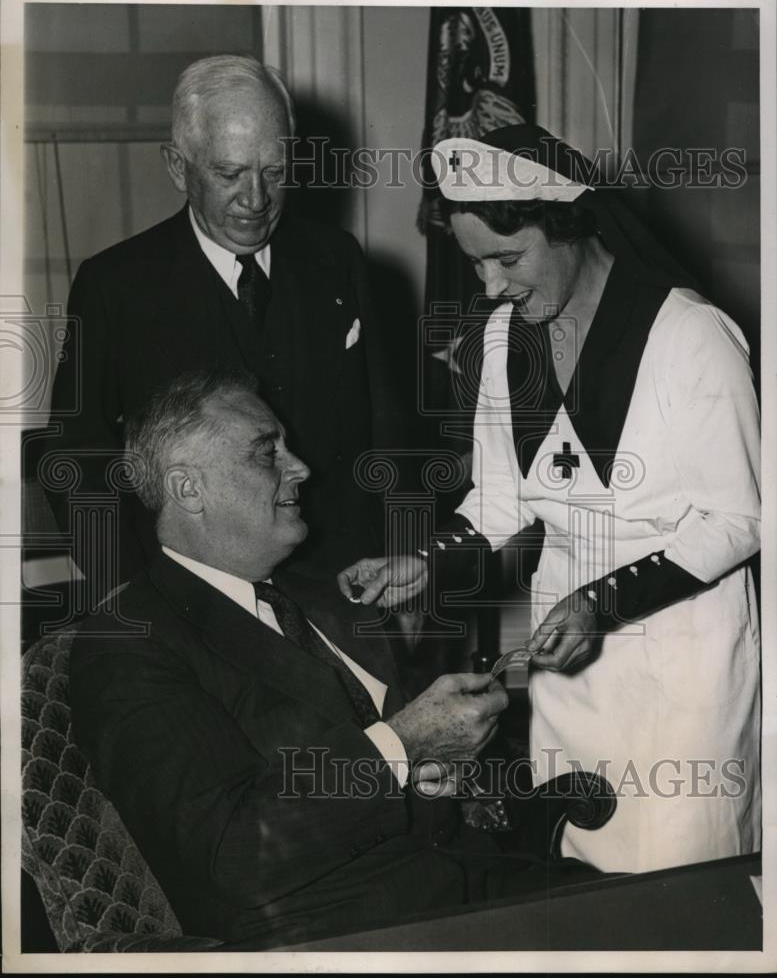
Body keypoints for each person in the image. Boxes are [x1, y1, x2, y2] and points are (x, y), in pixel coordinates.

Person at [339, 124, 761, 875]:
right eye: (476, 264)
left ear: (566, 225)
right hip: (567, 666)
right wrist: (428, 560)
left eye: (507, 258)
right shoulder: (505, 340)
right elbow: (501, 497)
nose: (492, 287)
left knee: (679, 880)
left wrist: (603, 601)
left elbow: (741, 517)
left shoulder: (690, 336)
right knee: (576, 866)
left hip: (680, 663)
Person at [69, 368, 603, 948]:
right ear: (188, 488)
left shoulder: (325, 592)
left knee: (671, 917)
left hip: (475, 885)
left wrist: (450, 766)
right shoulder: (130, 641)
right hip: (337, 936)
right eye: (266, 453)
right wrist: (404, 746)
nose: (301, 468)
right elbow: (232, 852)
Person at [44, 54, 395, 605]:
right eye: (229, 174)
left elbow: (388, 426)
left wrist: (406, 558)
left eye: (274, 172)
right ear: (178, 167)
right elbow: (75, 460)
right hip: (190, 603)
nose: (255, 201)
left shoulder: (338, 260)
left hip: (345, 587)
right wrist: (134, 591)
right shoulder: (114, 285)